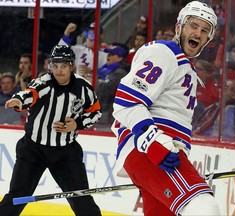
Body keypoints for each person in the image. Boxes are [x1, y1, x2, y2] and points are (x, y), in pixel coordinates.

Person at [111, 1, 220, 215]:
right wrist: (153, 142)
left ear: (208, 39)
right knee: (205, 207)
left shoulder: (183, 64)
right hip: (153, 151)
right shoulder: (164, 52)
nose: (198, 33)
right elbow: (127, 100)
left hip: (158, 153)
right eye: (194, 26)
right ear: (179, 27)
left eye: (205, 30)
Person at [0, 45, 102, 216]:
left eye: (63, 66)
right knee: (17, 197)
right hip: (33, 151)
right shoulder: (44, 83)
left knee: (82, 200)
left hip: (66, 153)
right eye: (55, 65)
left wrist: (76, 123)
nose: (59, 70)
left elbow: (95, 113)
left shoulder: (83, 88)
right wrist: (18, 100)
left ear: (72, 66)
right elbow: (29, 94)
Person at [96, 45, 128, 125]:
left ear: (120, 58)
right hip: (100, 107)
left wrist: (94, 81)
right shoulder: (103, 70)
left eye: (112, 54)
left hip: (109, 111)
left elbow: (108, 90)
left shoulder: (120, 73)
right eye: (108, 53)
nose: (108, 56)